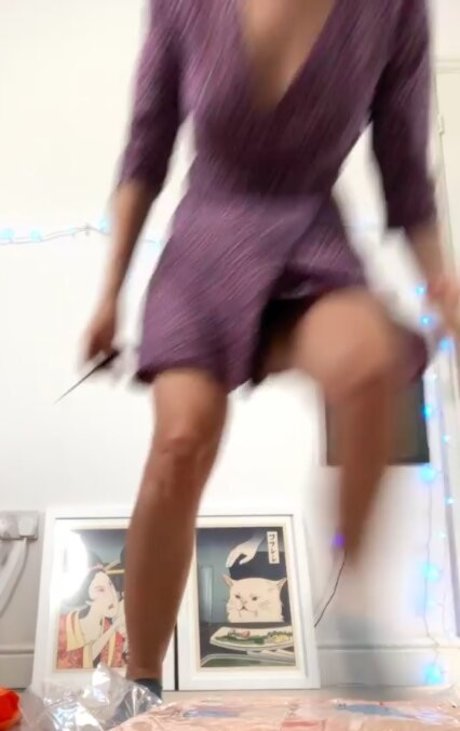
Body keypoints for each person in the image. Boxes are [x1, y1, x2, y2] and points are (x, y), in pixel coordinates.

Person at [84, 0, 460, 699]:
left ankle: (350, 602)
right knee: (182, 440)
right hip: (206, 243)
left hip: (309, 237)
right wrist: (110, 293)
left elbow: (406, 169)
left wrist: (444, 286)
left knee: (371, 362)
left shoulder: (393, 11)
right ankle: (140, 682)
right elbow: (145, 149)